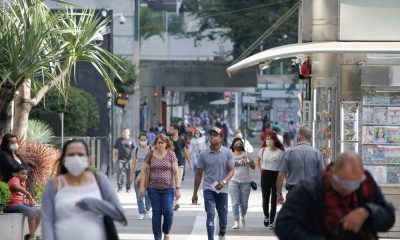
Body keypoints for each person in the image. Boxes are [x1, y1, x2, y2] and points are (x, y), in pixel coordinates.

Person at [275, 152, 395, 239]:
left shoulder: (366, 182)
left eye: (355, 184)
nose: (349, 190)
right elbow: (283, 225)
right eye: (344, 184)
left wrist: (368, 211)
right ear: (332, 172)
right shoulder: (309, 189)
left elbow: (389, 217)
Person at [41, 139, 127, 240]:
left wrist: (92, 203)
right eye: (71, 155)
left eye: (80, 154)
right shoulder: (54, 185)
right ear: (64, 160)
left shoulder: (99, 180)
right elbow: (47, 222)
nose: (76, 158)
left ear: (88, 158)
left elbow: (120, 215)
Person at [192, 127, 235, 240]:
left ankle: (222, 233)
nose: (212, 137)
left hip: (223, 189)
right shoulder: (203, 154)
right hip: (208, 188)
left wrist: (224, 181)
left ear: (221, 138)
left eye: (215, 135)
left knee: (223, 218)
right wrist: (195, 193)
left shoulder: (228, 152)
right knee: (210, 215)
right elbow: (199, 174)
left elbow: (231, 170)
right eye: (210, 135)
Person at [140, 134, 181, 240]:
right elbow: (144, 171)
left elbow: (176, 172)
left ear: (166, 143)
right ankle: (157, 237)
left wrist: (177, 188)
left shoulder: (171, 155)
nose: (160, 144)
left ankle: (166, 231)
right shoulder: (150, 154)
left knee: (168, 212)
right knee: (156, 213)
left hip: (168, 189)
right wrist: (142, 187)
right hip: (153, 188)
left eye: (162, 142)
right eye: (158, 142)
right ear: (155, 144)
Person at [276, 126, 325, 204]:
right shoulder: (317, 154)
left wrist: (279, 194)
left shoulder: (289, 153)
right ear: (311, 138)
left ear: (299, 137)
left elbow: (280, 175)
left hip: (294, 192)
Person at [256, 132, 285, 228]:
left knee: (273, 200)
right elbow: (257, 161)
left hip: (275, 175)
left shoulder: (280, 152)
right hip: (265, 175)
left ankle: (272, 221)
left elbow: (283, 167)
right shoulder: (263, 150)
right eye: (267, 139)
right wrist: (260, 172)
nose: (268, 141)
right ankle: (266, 216)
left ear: (274, 140)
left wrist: (283, 177)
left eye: (270, 139)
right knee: (265, 199)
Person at [5, 166, 41, 240]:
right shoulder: (15, 179)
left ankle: (31, 234)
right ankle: (32, 237)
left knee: (40, 212)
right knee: (31, 212)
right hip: (11, 205)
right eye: (22, 173)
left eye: (26, 174)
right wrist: (28, 194)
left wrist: (29, 202)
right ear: (15, 174)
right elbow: (16, 186)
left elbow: (21, 199)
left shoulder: (23, 183)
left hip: (19, 203)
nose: (25, 176)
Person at [228, 137, 255, 229]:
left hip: (246, 182)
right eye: (237, 144)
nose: (238, 145)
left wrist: (249, 160)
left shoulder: (246, 154)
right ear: (233, 145)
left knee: (244, 204)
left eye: (240, 144)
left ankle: (242, 216)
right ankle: (236, 221)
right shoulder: (229, 155)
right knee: (235, 202)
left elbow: (253, 167)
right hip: (233, 181)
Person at [168, 125, 193, 211]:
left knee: (177, 183)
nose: (169, 130)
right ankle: (171, 201)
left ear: (176, 130)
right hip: (169, 164)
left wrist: (190, 163)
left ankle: (176, 202)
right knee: (171, 183)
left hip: (180, 164)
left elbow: (185, 152)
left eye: (171, 129)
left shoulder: (182, 141)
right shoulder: (168, 140)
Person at [130, 133, 152, 220]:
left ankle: (149, 209)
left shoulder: (150, 150)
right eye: (141, 140)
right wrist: (131, 175)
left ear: (147, 140)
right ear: (139, 140)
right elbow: (133, 163)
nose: (143, 141)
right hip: (138, 173)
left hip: (148, 173)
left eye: (144, 139)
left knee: (147, 193)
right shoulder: (135, 150)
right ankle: (141, 212)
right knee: (139, 193)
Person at [113, 128, 136, 192]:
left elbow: (135, 150)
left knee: (129, 174)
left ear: (129, 133)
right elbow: (114, 149)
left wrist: (134, 159)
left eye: (126, 132)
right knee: (119, 172)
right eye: (124, 132)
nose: (125, 133)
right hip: (120, 159)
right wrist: (114, 158)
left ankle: (128, 187)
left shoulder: (132, 140)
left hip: (129, 160)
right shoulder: (119, 140)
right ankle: (119, 186)